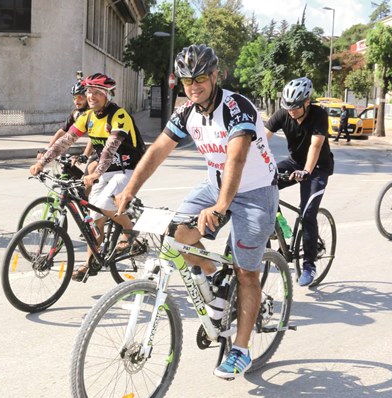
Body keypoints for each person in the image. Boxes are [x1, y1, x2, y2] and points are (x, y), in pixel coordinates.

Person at [115, 44, 279, 380]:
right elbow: (159, 149)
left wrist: (219, 208)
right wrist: (130, 190)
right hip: (214, 184)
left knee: (247, 272)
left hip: (255, 191)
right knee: (175, 234)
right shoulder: (187, 112)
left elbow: (236, 159)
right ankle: (216, 280)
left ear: (216, 75)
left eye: (201, 78)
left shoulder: (237, 108)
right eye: (187, 81)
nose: (194, 86)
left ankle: (241, 350)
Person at [30, 73, 146, 281]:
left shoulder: (118, 116)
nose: (91, 96)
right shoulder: (88, 117)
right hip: (108, 171)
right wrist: (42, 162)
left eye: (97, 93)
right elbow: (65, 141)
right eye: (89, 92)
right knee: (93, 221)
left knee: (104, 205)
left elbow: (109, 150)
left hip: (130, 169)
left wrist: (95, 174)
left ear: (108, 95)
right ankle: (89, 264)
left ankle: (130, 232)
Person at [264, 77, 334, 287]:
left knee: (307, 213)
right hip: (295, 162)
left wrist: (305, 171)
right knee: (263, 182)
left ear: (307, 102)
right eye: (288, 107)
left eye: (295, 107)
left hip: (318, 168)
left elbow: (315, 146)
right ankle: (281, 224)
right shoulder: (283, 114)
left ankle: (309, 264)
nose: (291, 111)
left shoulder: (319, 114)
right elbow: (261, 138)